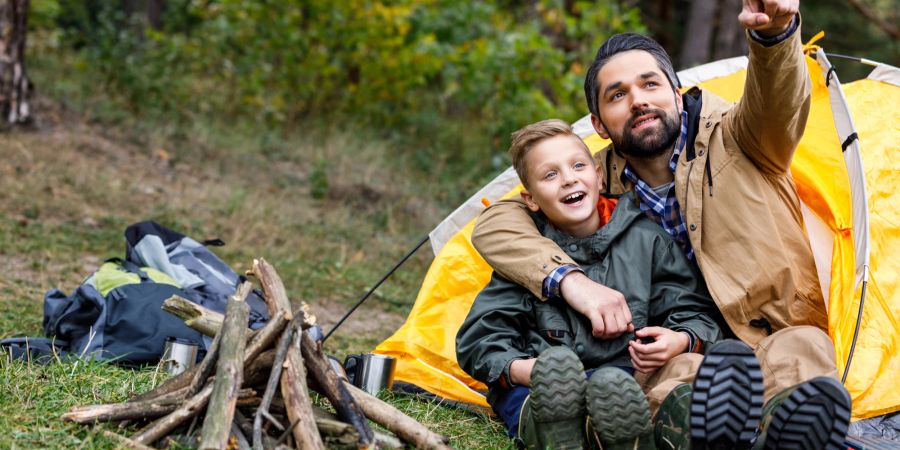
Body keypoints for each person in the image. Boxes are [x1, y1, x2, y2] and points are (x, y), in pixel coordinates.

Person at [470, 1, 852, 449]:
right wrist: (572, 281)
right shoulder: (592, 178)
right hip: (674, 353)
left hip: (763, 336)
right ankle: (710, 433)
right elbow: (496, 223)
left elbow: (778, 104)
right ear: (599, 123)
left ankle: (781, 432)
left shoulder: (744, 139)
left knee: (806, 347)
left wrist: (776, 35)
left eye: (649, 84)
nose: (637, 101)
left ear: (675, 91)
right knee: (674, 382)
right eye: (617, 95)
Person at [456, 119, 723, 450]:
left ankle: (673, 430)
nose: (568, 179)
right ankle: (557, 432)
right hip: (546, 386)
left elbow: (692, 308)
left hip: (628, 382)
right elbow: (480, 339)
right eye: (550, 175)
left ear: (598, 176)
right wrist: (528, 370)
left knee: (686, 368)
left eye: (577, 166)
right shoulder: (526, 257)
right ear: (531, 199)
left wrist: (679, 339)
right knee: (520, 396)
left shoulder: (647, 240)